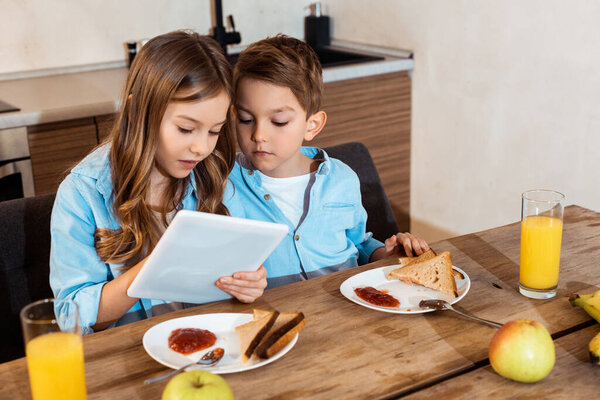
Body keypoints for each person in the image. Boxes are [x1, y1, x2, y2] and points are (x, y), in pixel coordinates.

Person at [49, 31, 267, 334]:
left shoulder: (216, 175)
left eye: (214, 131)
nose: (202, 148)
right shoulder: (83, 193)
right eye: (186, 128)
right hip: (130, 359)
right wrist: (157, 266)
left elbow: (235, 288)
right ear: (139, 111)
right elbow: (70, 318)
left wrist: (249, 285)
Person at [228, 35, 429, 288]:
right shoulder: (223, 184)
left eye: (278, 122)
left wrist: (389, 255)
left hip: (348, 308)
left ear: (312, 126)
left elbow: (359, 244)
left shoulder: (342, 179)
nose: (258, 135)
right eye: (246, 119)